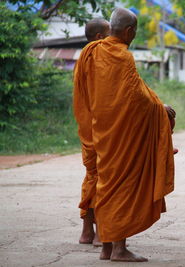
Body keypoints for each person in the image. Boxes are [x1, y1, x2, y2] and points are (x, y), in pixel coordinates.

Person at [73, 7, 175, 262]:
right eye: (135, 31)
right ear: (129, 31)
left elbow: (84, 92)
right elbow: (136, 98)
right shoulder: (121, 56)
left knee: (106, 185)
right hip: (121, 135)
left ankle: (107, 247)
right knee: (122, 187)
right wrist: (160, 109)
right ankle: (119, 249)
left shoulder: (89, 51)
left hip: (99, 130)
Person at [78, 18, 110, 247]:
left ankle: (87, 231)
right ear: (100, 37)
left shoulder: (83, 56)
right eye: (110, 34)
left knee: (92, 175)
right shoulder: (99, 54)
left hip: (87, 123)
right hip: (102, 124)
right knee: (105, 178)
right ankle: (101, 233)